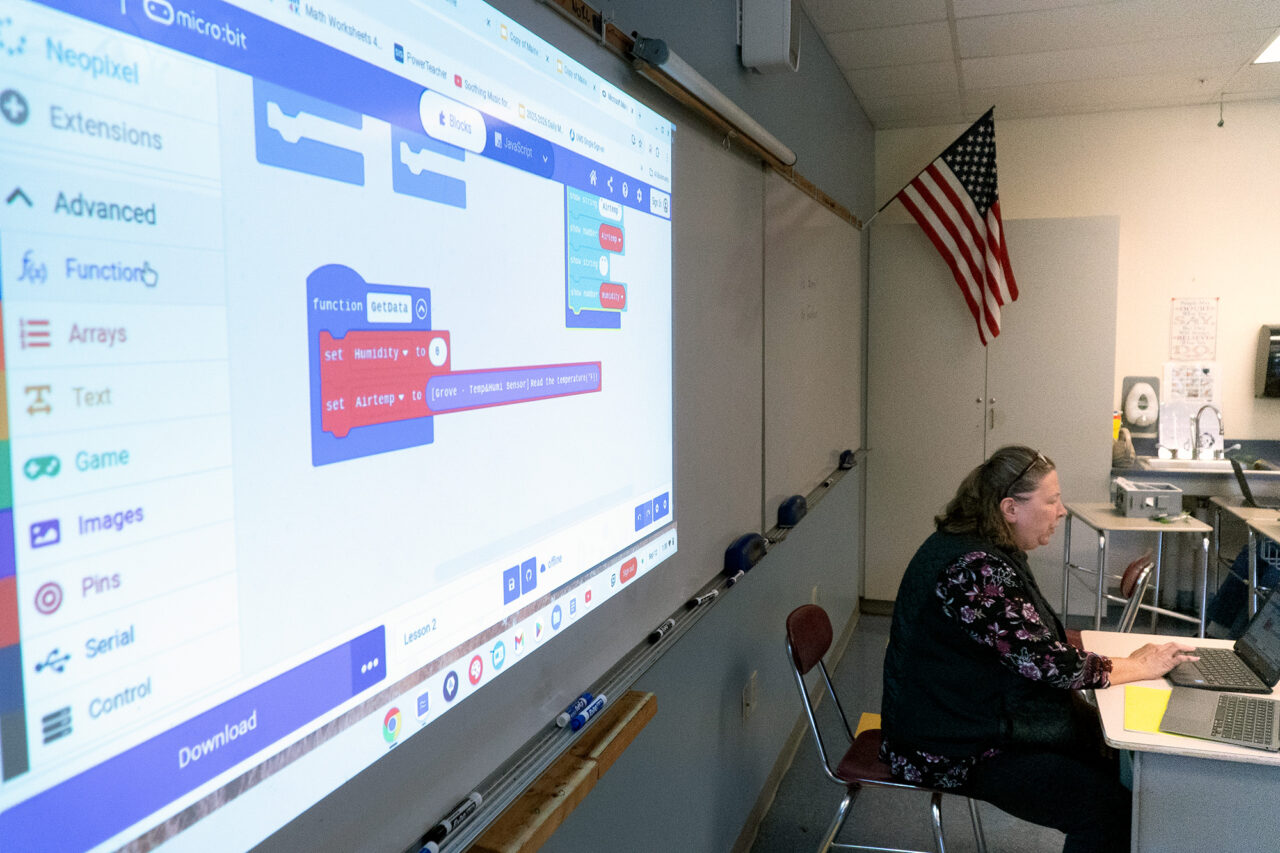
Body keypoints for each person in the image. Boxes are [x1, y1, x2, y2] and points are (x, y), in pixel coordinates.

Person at [880, 445, 1198, 853]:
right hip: (949, 746)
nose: (1062, 511)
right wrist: (1137, 665)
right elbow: (1047, 665)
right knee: (1107, 810)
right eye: (1052, 501)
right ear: (1010, 508)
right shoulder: (975, 568)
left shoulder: (979, 545)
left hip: (962, 719)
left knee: (1114, 757)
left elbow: (1028, 645)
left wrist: (1123, 664)